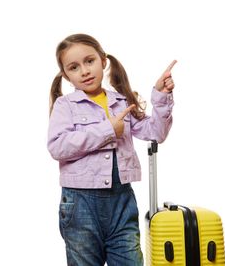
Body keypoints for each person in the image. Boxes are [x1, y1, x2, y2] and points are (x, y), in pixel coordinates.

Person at [47, 33, 176, 265]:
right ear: (66, 75)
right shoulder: (65, 106)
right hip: (80, 205)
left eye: (89, 61)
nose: (85, 71)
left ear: (103, 61)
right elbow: (58, 146)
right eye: (74, 67)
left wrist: (161, 97)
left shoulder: (122, 101)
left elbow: (155, 133)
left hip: (122, 201)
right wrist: (108, 130)